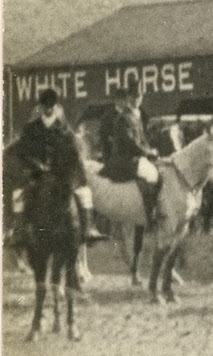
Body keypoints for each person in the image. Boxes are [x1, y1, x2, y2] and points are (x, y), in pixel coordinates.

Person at [16, 89, 104, 243]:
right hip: (37, 173)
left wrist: (72, 169)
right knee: (18, 193)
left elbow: (73, 153)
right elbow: (23, 152)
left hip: (60, 174)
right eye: (45, 106)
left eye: (52, 106)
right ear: (41, 107)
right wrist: (37, 164)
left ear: (56, 106)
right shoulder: (31, 128)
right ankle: (18, 229)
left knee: (85, 191)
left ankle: (89, 228)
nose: (49, 109)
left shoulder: (64, 130)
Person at [99, 87, 160, 221]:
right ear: (128, 99)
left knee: (159, 169)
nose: (136, 100)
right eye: (133, 97)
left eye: (139, 97)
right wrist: (147, 153)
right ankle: (150, 210)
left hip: (134, 157)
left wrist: (151, 151)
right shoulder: (124, 118)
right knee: (153, 174)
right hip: (124, 159)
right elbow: (130, 142)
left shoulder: (135, 115)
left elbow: (142, 140)